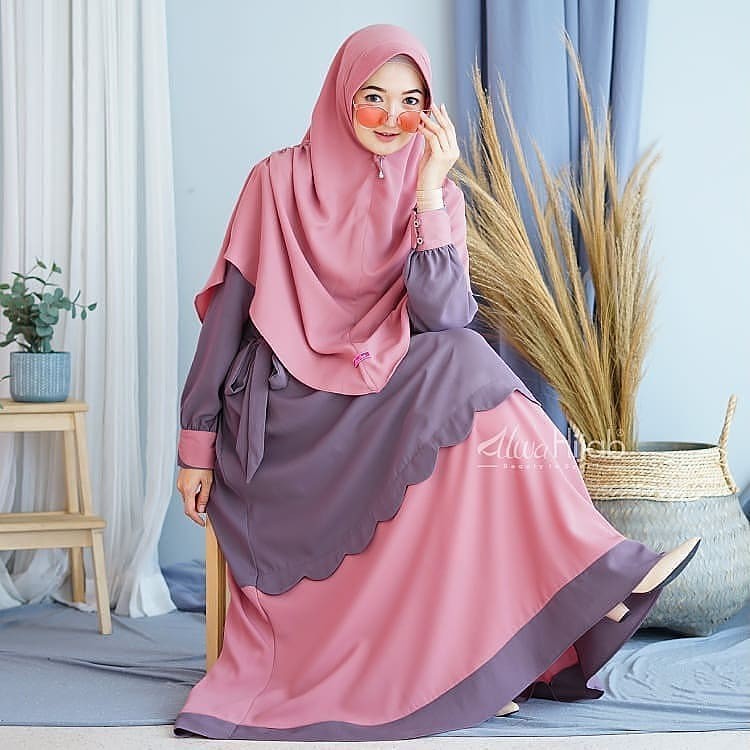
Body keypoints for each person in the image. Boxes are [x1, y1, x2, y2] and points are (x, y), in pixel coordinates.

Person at [172, 23, 701, 742]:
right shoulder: (276, 180)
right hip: (289, 406)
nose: (392, 117)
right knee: (467, 374)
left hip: (379, 393)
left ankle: (502, 642)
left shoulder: (437, 193)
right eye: (373, 97)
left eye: (410, 101)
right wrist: (196, 445)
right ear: (341, 96)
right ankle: (600, 575)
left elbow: (444, 317)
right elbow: (227, 317)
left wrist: (427, 191)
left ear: (428, 111)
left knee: (467, 376)